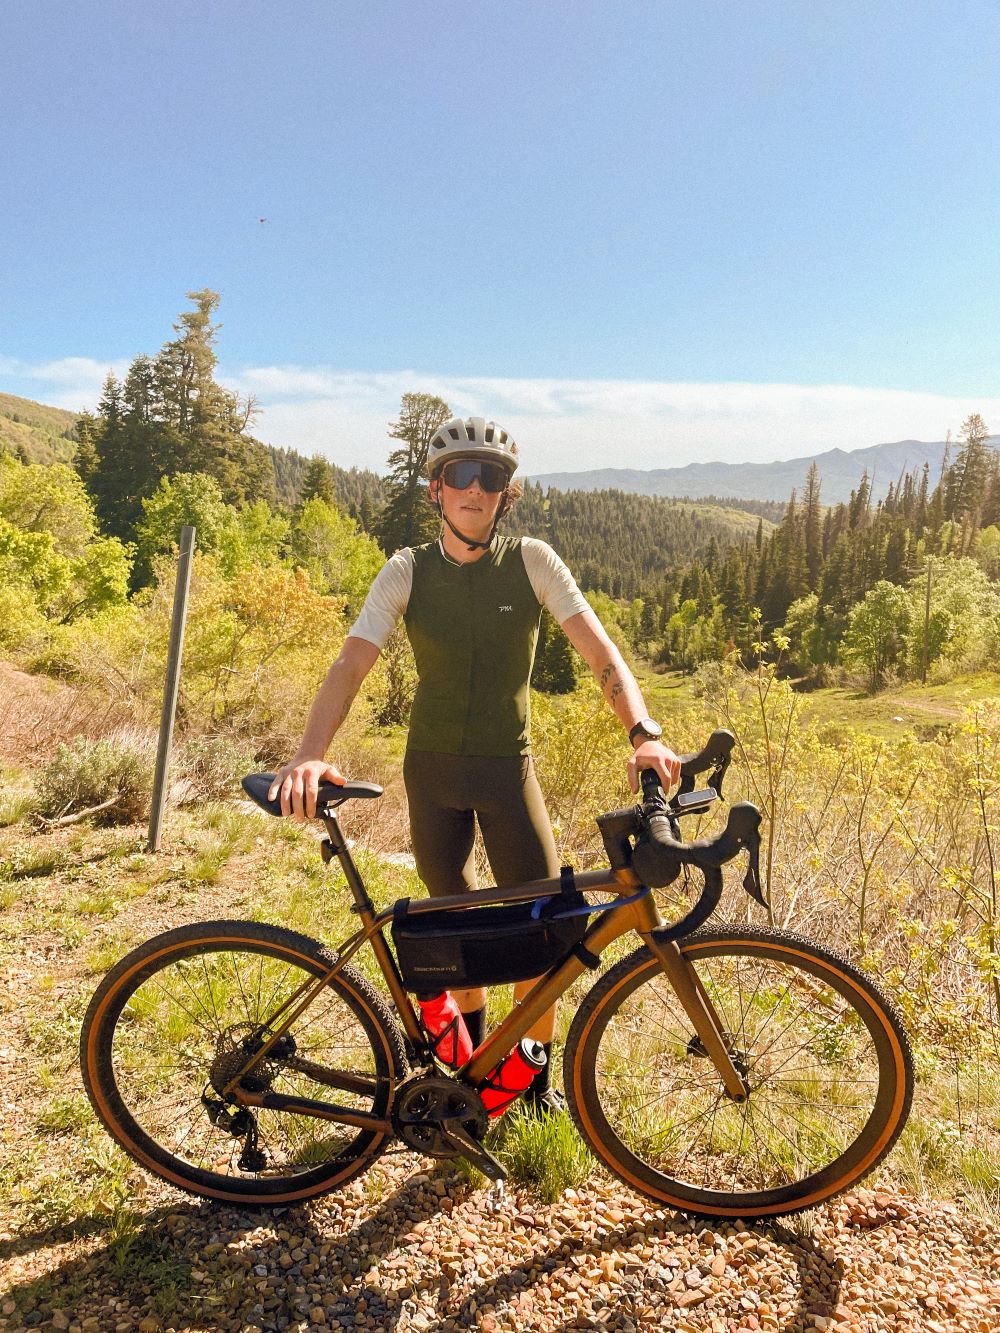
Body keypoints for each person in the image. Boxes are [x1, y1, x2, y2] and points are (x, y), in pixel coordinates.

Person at [269, 416, 680, 1113]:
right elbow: (350, 664)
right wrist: (310, 753)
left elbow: (600, 654)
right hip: (431, 777)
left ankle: (529, 1081)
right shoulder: (406, 571)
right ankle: (477, 1077)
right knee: (456, 934)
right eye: (459, 474)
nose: (474, 488)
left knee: (548, 930)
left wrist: (642, 730)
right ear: (436, 489)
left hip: (506, 771)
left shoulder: (533, 561)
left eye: (489, 477)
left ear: (504, 494)